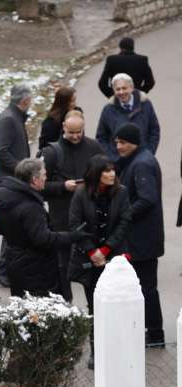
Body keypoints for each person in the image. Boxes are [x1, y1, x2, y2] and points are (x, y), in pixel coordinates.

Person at [67, 155, 132, 367]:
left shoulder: (121, 193)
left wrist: (105, 250)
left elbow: (124, 222)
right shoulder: (81, 194)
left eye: (113, 170)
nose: (112, 174)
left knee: (117, 305)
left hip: (113, 258)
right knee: (95, 307)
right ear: (96, 174)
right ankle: (97, 351)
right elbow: (75, 224)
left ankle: (118, 349)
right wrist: (92, 251)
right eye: (106, 170)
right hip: (90, 260)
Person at [0, 158, 87, 298]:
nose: (46, 178)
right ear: (34, 180)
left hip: (16, 263)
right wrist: (72, 236)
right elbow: (43, 239)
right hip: (35, 270)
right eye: (44, 175)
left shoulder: (8, 198)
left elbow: (1, 228)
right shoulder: (31, 207)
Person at [40, 111, 103, 300]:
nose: (75, 136)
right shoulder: (51, 153)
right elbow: (38, 186)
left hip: (90, 218)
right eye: (71, 132)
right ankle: (65, 305)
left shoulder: (94, 147)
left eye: (79, 132)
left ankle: (94, 307)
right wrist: (62, 186)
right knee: (63, 267)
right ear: (63, 128)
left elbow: (108, 176)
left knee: (91, 267)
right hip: (62, 219)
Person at [115, 122, 165, 347]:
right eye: (117, 141)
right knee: (143, 286)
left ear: (134, 143)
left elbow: (147, 198)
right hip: (142, 237)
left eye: (122, 142)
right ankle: (151, 330)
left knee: (146, 287)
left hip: (143, 238)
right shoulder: (136, 160)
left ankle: (155, 334)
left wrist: (123, 214)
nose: (118, 146)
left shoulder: (142, 164)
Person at [0, 84, 34, 288]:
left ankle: (4, 269)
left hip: (11, 183)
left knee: (13, 228)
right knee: (12, 228)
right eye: (29, 100)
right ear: (24, 101)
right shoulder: (8, 119)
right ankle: (1, 269)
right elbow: (1, 151)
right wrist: (22, 169)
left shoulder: (14, 117)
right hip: (8, 185)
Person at [95, 73, 161, 160]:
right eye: (118, 89)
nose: (121, 92)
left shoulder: (145, 105)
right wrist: (112, 158)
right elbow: (101, 138)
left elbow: (154, 131)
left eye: (124, 88)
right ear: (114, 91)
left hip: (142, 159)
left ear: (132, 88)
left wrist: (149, 153)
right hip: (118, 162)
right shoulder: (108, 110)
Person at [38, 86, 79, 151]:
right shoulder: (51, 123)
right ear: (64, 102)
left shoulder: (77, 113)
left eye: (75, 100)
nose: (75, 104)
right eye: (72, 101)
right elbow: (44, 145)